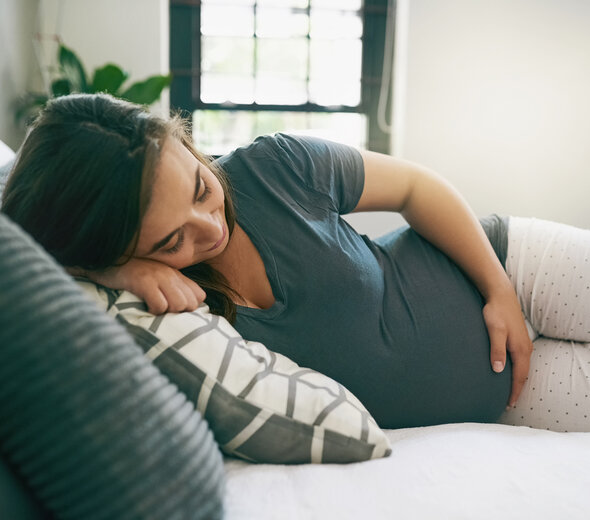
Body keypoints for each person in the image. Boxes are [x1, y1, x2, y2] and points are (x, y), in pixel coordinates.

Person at [3, 93, 589, 431]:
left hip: (515, 270)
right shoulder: (159, 306)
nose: (210, 229)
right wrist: (112, 273)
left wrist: (498, 290)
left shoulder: (274, 167)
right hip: (507, 393)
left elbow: (418, 186)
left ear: (188, 143)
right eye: (170, 241)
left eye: (202, 189)